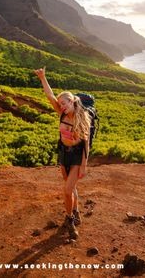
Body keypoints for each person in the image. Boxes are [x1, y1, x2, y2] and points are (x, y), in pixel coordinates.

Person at [34, 66, 91, 239]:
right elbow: (50, 96)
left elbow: (86, 144)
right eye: (60, 105)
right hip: (63, 153)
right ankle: (77, 212)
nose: (61, 106)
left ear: (72, 101)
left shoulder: (83, 118)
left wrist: (83, 166)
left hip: (76, 156)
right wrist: (43, 77)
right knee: (70, 187)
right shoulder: (62, 114)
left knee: (67, 190)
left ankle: (70, 219)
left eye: (64, 103)